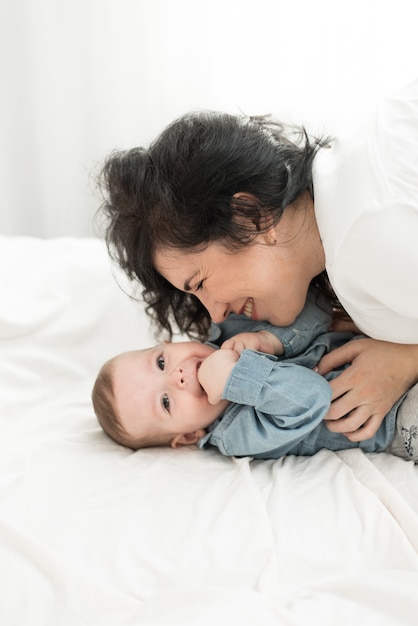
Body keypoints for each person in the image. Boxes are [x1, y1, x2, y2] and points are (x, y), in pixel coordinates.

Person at [98, 78, 418, 445]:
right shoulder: (348, 180)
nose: (216, 316)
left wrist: (407, 360)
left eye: (199, 282)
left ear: (250, 217)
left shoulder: (372, 241)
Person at [91, 289, 418, 461]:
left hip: (389, 351)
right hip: (396, 419)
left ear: (166, 344)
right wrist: (236, 377)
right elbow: (313, 397)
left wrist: (272, 340)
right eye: (165, 402)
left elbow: (316, 303)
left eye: (161, 363)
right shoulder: (238, 434)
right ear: (189, 436)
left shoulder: (227, 332)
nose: (176, 377)